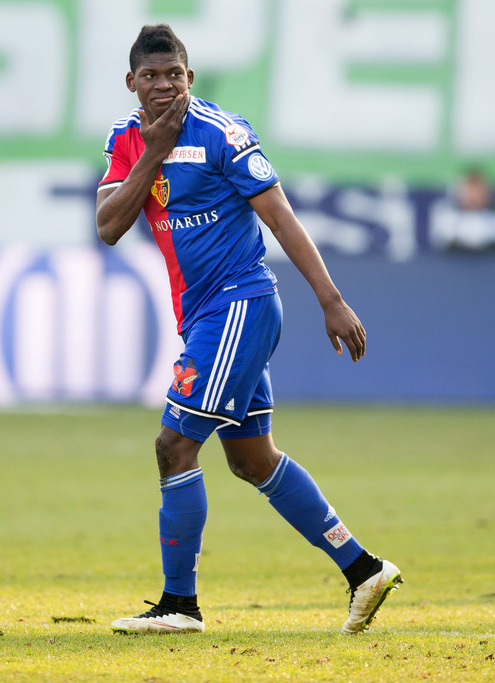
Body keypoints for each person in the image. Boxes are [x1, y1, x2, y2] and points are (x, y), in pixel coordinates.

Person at [95, 24, 402, 635]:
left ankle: (180, 605)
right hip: (206, 315)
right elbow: (108, 225)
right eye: (151, 77)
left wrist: (331, 300)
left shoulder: (222, 133)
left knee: (173, 444)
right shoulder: (127, 141)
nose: (164, 86)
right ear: (131, 83)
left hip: (241, 304)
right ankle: (363, 568)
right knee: (252, 459)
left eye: (175, 74)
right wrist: (152, 154)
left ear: (190, 77)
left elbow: (281, 219)